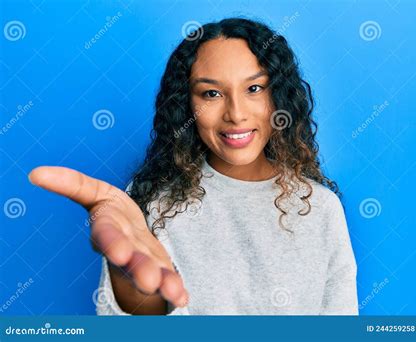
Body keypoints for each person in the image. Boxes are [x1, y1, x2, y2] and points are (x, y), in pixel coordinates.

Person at [28, 17, 358, 315]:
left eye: (254, 88)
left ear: (280, 98)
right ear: (188, 105)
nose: (236, 113)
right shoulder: (154, 203)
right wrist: (135, 293)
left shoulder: (320, 208)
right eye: (211, 93)